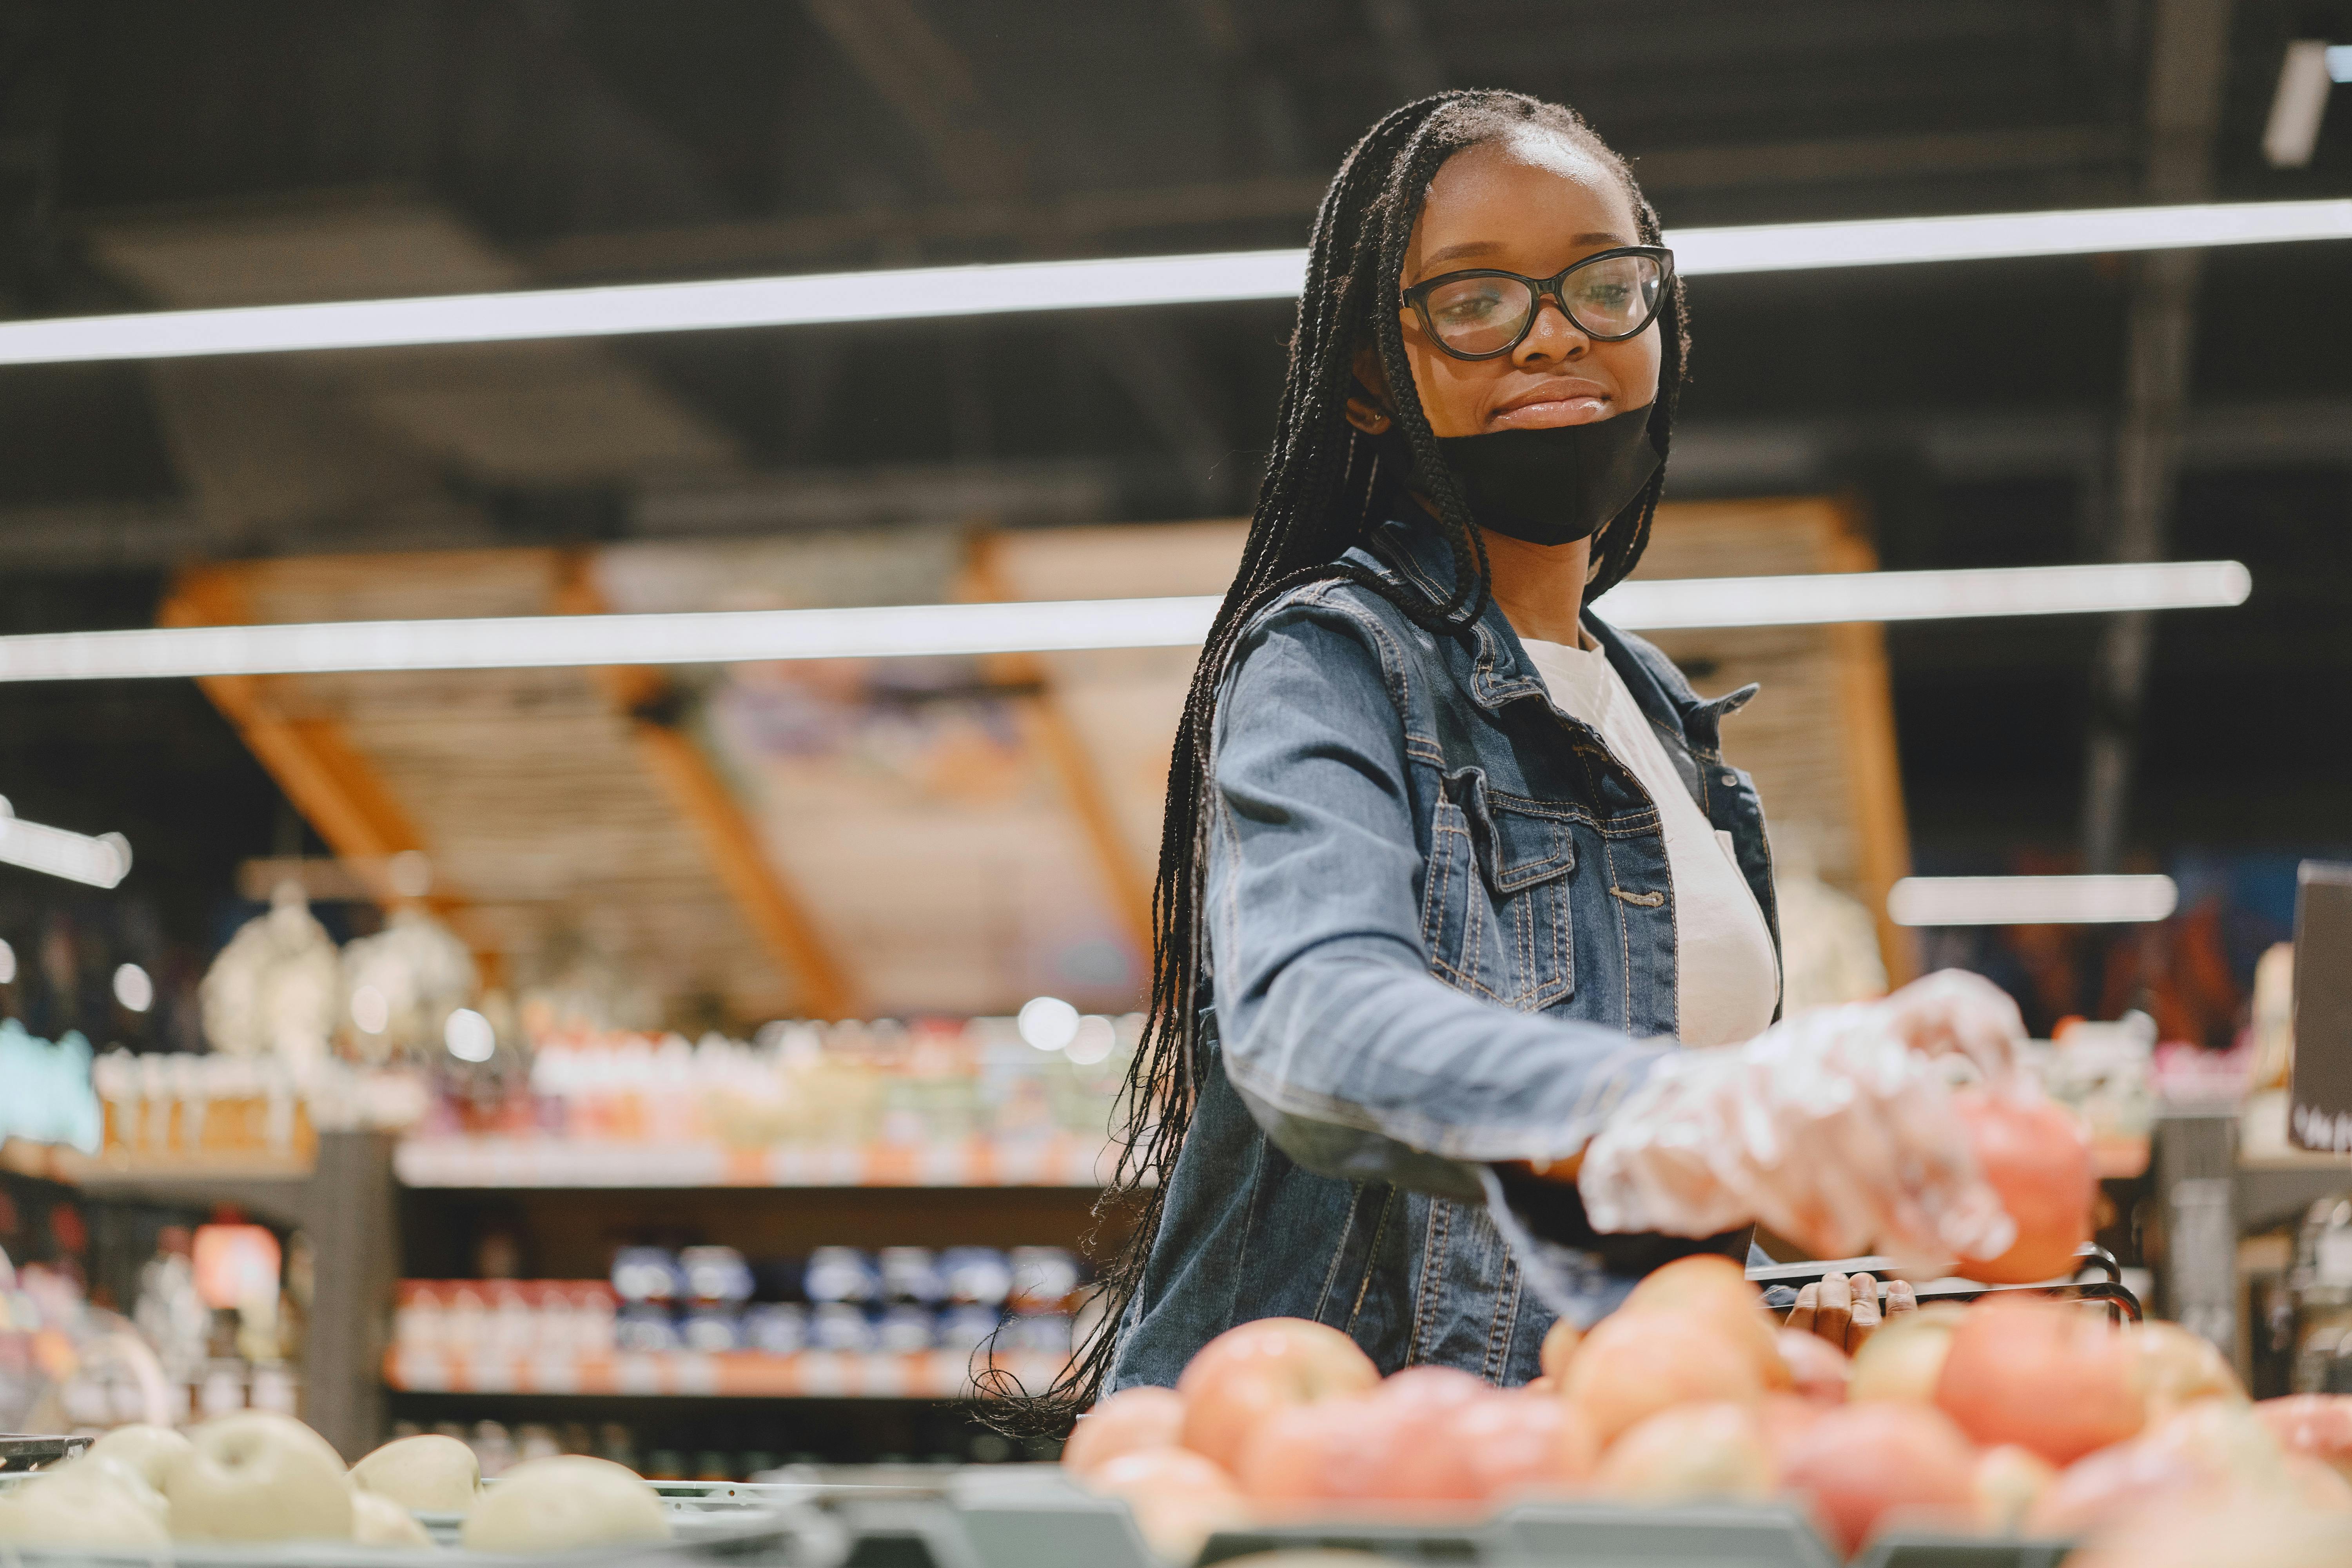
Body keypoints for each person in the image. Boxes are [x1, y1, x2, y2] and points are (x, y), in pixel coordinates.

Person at [1045, 90, 2023, 1412]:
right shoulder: (1332, 663)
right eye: (1473, 302)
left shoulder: (1664, 723)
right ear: (1365, 381)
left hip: (1584, 1476)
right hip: (1327, 1482)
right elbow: (1314, 1017)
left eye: (1602, 285)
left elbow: (1592, 1222)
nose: (1554, 335)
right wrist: (1674, 1107)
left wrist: (1790, 1227)